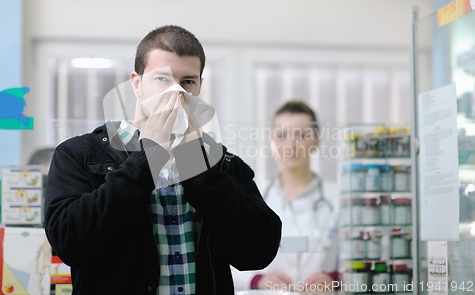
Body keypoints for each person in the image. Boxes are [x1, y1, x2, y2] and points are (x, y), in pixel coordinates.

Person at [43, 25, 282, 295]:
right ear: (137, 84)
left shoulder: (223, 162)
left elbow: (257, 252)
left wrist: (196, 165)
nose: (175, 93)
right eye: (162, 80)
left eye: (188, 81)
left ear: (200, 87)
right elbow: (68, 242)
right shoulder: (80, 155)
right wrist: (148, 159)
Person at [232, 100, 340, 292]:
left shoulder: (338, 199)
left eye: (301, 135)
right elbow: (227, 257)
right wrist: (257, 279)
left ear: (316, 141)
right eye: (281, 135)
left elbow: (361, 258)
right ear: (272, 143)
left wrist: (335, 278)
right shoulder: (251, 197)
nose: (291, 144)